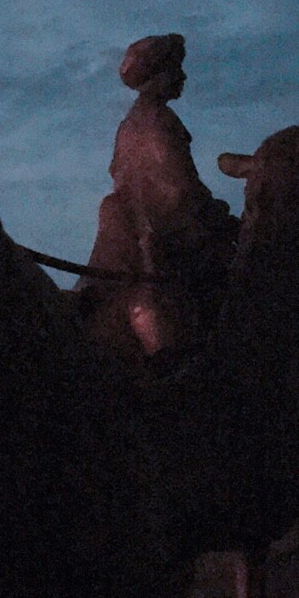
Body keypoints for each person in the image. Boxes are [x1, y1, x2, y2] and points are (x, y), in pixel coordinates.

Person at [78, 34, 238, 363]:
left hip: (142, 223)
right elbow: (180, 185)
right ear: (159, 75)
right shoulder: (160, 121)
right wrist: (218, 217)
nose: (183, 77)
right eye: (176, 69)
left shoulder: (129, 124)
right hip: (164, 231)